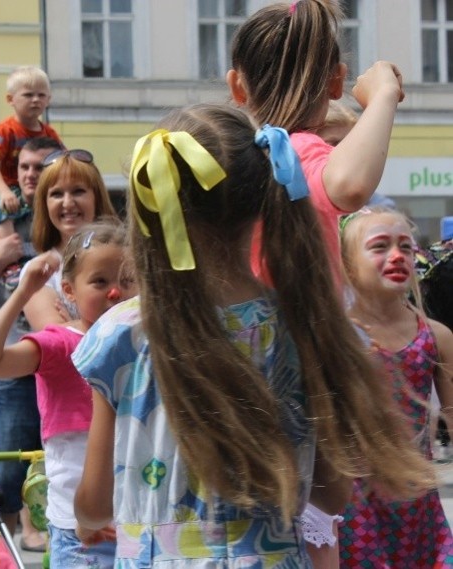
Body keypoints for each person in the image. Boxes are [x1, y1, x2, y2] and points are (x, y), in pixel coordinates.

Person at [72, 104, 437, 567]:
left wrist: (86, 520)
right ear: (264, 199)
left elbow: (95, 503)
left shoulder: (123, 335)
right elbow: (330, 495)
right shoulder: (308, 328)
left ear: (158, 209)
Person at [0, 220, 134, 567]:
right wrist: (22, 293)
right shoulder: (61, 344)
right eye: (100, 281)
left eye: (127, 281)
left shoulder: (142, 344)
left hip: (134, 525)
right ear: (70, 291)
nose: (115, 292)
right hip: (78, 535)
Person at [227, 0, 405, 289]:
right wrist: (384, 95)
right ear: (336, 83)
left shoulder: (226, 150)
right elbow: (351, 186)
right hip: (302, 331)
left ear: (235, 85)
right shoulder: (297, 151)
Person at [337, 207, 453, 566]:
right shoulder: (335, 335)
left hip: (417, 505)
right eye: (380, 246)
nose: (397, 255)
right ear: (347, 263)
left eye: (406, 245)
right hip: (354, 503)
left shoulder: (436, 337)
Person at [0, 136, 62, 553]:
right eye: (22, 167)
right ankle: (4, 547)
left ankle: (40, 534)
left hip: (60, 364)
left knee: (53, 462)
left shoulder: (64, 221)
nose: (28, 175)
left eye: (39, 168)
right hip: (12, 363)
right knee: (6, 473)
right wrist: (0, 258)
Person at [22, 148, 116, 331]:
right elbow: (58, 339)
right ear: (45, 204)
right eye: (57, 194)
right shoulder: (40, 272)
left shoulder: (125, 257)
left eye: (78, 191)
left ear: (96, 197)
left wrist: (76, 325)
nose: (68, 203)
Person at [0, 65, 63, 242]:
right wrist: (4, 192)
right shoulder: (4, 131)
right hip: (9, 186)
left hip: (40, 187)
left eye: (41, 95)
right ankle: (8, 246)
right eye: (28, 95)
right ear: (11, 99)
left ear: (48, 99)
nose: (35, 100)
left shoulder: (50, 134)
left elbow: (64, 161)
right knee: (3, 207)